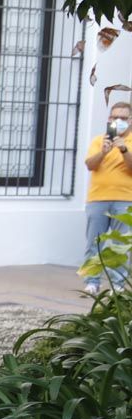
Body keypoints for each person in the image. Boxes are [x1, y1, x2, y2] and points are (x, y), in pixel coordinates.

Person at [82, 101, 132, 295]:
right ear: (109, 119)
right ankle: (91, 282)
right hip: (98, 199)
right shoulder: (98, 140)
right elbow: (90, 165)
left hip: (125, 200)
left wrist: (123, 149)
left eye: (122, 117)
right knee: (94, 242)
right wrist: (103, 152)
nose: (118, 120)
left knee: (120, 244)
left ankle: (117, 284)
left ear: (130, 120)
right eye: (114, 117)